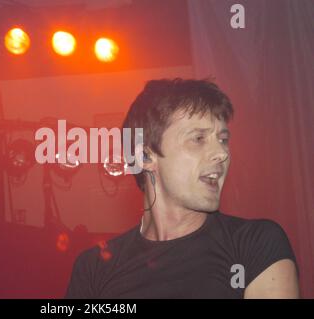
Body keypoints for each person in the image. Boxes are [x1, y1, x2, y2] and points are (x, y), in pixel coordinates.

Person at [65, 78, 299, 298]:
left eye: (223, 139)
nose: (222, 153)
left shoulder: (254, 244)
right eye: (198, 139)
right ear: (145, 155)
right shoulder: (94, 268)